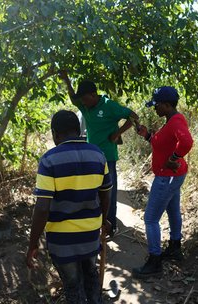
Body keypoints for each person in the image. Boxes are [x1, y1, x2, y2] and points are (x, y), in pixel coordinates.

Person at [26, 110, 112, 304]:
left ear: (55, 133)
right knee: (91, 275)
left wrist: (33, 244)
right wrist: (103, 219)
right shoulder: (98, 154)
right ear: (78, 130)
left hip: (62, 241)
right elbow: (106, 193)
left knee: (73, 285)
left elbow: (41, 209)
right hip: (90, 234)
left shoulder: (49, 160)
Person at [59, 71, 139, 238]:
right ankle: (98, 223)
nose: (83, 103)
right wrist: (66, 79)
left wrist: (117, 133)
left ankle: (112, 226)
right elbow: (74, 97)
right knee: (93, 191)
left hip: (107, 157)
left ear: (94, 95)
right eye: (82, 100)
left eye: (86, 99)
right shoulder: (84, 105)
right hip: (90, 156)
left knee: (109, 190)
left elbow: (133, 116)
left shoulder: (110, 106)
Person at [132, 86, 194, 279]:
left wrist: (174, 158)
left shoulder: (175, 121)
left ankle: (155, 261)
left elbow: (187, 142)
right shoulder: (172, 120)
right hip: (172, 176)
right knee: (173, 210)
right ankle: (175, 247)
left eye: (157, 105)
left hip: (167, 177)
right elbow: (163, 143)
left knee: (150, 218)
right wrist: (147, 135)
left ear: (167, 105)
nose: (154, 109)